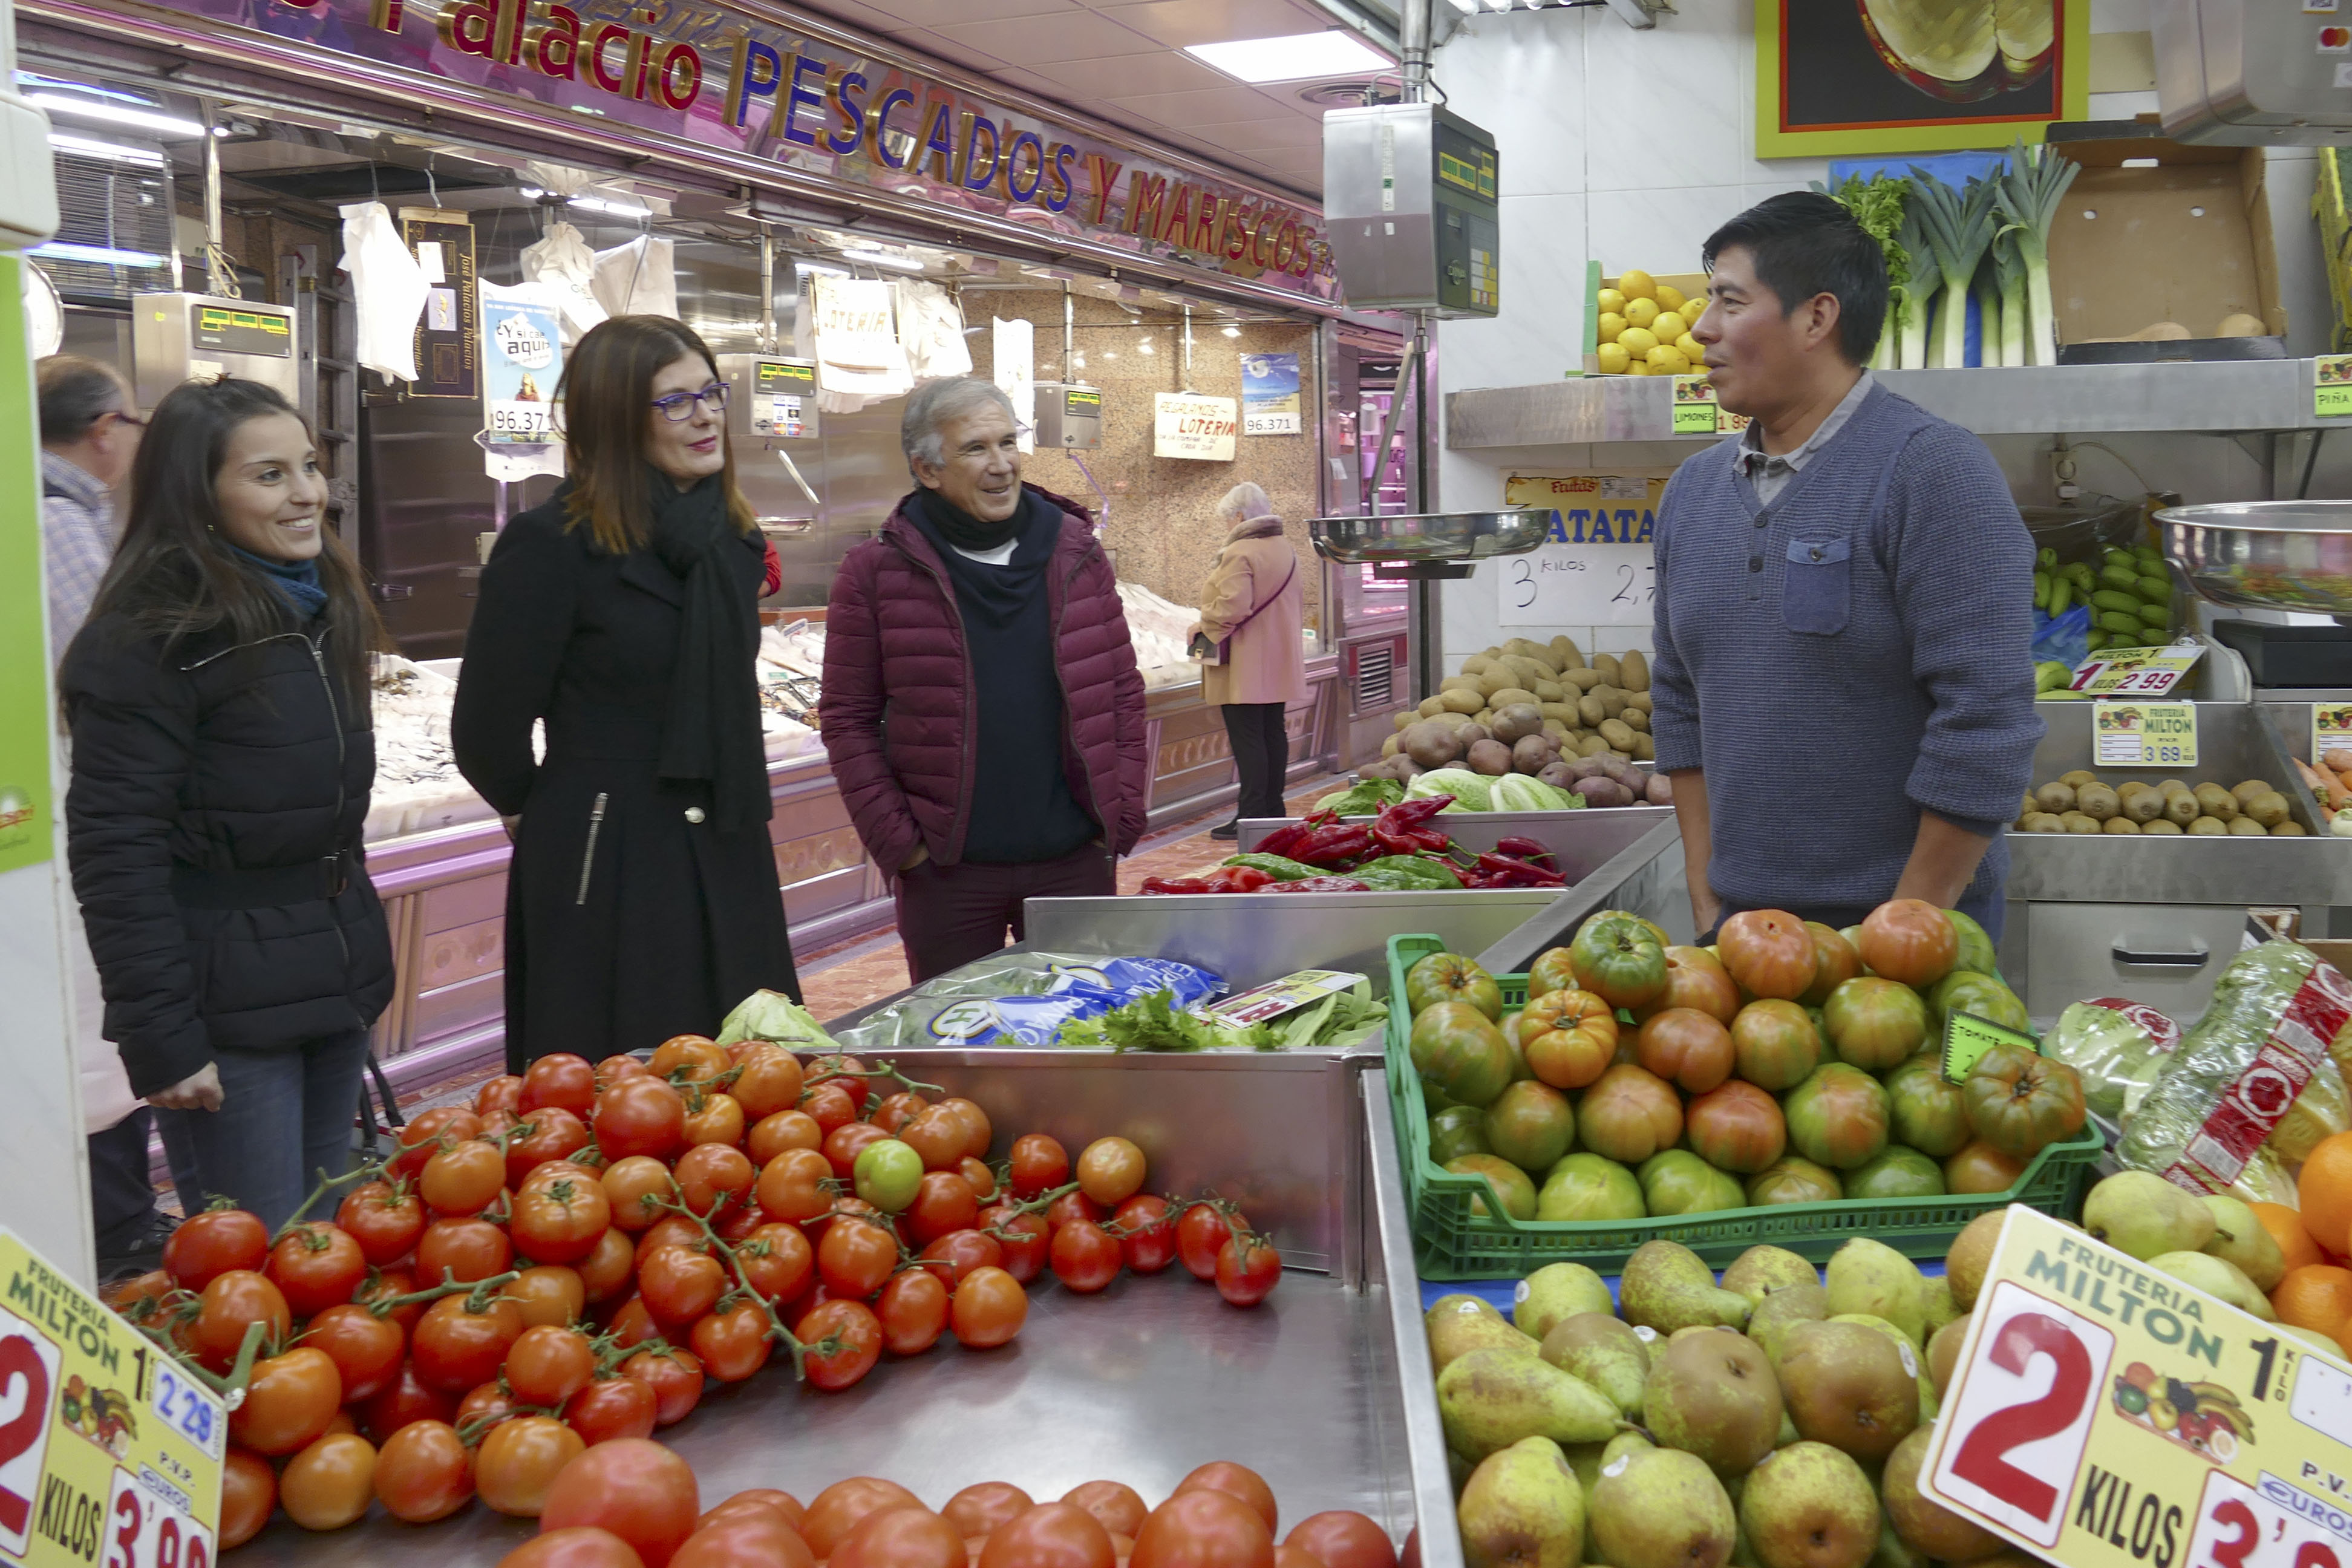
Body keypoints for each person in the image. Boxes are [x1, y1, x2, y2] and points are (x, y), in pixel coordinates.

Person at [1652, 192, 2041, 944]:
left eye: (1730, 302)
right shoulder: (1692, 493)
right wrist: (1708, 902)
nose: (1701, 329)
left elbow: (1987, 724)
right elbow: (1679, 705)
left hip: (1919, 930)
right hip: (1747, 932)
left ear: (1816, 318)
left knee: (1965, 1071)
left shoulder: (1934, 471)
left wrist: (1900, 936)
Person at [61, 376, 394, 1235]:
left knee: (326, 1244)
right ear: (196, 495)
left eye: (311, 467)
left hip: (331, 980)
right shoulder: (151, 635)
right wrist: (162, 1036)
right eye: (270, 475)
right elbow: (114, 847)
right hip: (225, 1007)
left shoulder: (321, 610)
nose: (308, 494)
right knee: (256, 1266)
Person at [454, 316, 800, 1069]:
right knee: (617, 1098)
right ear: (612, 420)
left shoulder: (733, 544)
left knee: (753, 1090)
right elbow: (486, 729)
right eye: (675, 402)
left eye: (711, 392)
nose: (706, 415)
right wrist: (553, 810)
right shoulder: (553, 546)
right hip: (607, 858)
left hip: (727, 838)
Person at [822, 377, 1148, 984]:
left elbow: (1122, 689)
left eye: (1008, 443)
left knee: (1085, 1044)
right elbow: (847, 719)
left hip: (1073, 863)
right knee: (957, 1048)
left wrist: (1121, 814)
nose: (1001, 466)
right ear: (927, 469)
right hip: (948, 874)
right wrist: (903, 846)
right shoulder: (875, 571)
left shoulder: (1076, 552)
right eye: (976, 449)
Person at [39, 355, 178, 1280]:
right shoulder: (61, 528)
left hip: (66, 823)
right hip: (80, 824)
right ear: (103, 430)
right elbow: (122, 677)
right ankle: (119, 1230)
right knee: (99, 1038)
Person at [1192, 482, 1307, 838]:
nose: (1227, 527)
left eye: (1228, 520)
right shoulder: (1285, 547)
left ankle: (1251, 816)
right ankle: (1273, 808)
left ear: (1240, 517)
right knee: (1272, 731)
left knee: (1248, 738)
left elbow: (1234, 605)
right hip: (1278, 655)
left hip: (1245, 659)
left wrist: (1203, 624)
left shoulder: (1240, 551)